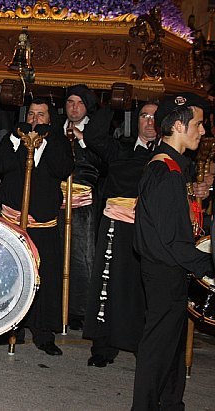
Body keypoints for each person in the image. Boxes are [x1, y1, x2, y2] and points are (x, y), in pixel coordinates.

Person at [132, 93, 214, 410]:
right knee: (157, 350)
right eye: (198, 124)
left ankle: (170, 403)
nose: (203, 131)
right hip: (164, 272)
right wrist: (208, 263)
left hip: (168, 269)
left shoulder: (173, 169)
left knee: (172, 348)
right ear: (179, 125)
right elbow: (170, 242)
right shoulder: (164, 172)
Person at [0, 98, 74, 355]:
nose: (35, 119)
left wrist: (44, 143)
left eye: (41, 115)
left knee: (44, 277)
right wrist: (17, 142)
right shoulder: (12, 140)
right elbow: (0, 166)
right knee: (11, 275)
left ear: (50, 119)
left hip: (43, 223)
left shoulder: (58, 142)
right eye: (31, 114)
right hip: (14, 220)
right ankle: (9, 326)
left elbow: (63, 168)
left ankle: (43, 332)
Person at [82, 103, 158, 367]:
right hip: (115, 223)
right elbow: (92, 136)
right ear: (136, 121)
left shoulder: (166, 155)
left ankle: (141, 343)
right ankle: (103, 346)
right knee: (108, 282)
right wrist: (114, 105)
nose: (149, 122)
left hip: (149, 227)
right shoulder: (120, 149)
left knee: (143, 285)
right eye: (144, 116)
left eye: (155, 117)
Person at [58, 85, 104, 331]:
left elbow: (104, 162)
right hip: (56, 200)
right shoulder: (56, 128)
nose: (73, 107)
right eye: (70, 102)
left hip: (84, 203)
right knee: (56, 254)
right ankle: (58, 305)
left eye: (79, 103)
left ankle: (81, 310)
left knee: (82, 257)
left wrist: (83, 140)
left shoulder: (97, 131)